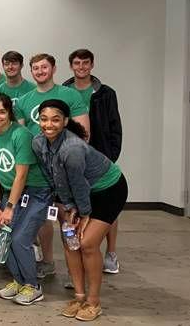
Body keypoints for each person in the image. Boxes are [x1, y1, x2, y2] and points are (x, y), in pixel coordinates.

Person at [32, 100, 128, 322]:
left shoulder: (72, 149)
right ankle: (79, 296)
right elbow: (54, 177)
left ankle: (94, 302)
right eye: (44, 119)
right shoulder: (38, 142)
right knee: (70, 240)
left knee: (86, 243)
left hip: (108, 190)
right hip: (76, 194)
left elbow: (79, 185)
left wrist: (82, 213)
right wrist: (69, 206)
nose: (48, 124)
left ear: (65, 121)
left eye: (55, 119)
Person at [15, 53, 90, 278]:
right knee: (42, 219)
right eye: (35, 68)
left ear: (54, 69)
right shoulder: (25, 100)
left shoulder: (70, 95)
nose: (40, 71)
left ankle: (76, 271)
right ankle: (48, 262)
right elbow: (21, 137)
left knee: (68, 220)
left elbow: (83, 134)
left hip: (65, 170)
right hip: (38, 172)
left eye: (44, 67)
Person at [0, 93, 50, 306]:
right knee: (5, 234)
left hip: (35, 192)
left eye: (2, 111)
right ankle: (18, 280)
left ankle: (33, 285)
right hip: (8, 193)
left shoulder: (20, 135)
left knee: (20, 238)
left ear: (10, 113)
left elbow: (21, 175)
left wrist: (9, 207)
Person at [63, 49, 123, 274]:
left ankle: (111, 253)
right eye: (77, 63)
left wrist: (111, 154)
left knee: (108, 207)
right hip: (74, 157)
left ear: (92, 65)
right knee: (80, 206)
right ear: (71, 66)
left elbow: (115, 125)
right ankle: (81, 254)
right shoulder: (64, 91)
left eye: (85, 63)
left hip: (101, 156)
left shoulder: (105, 93)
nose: (81, 67)